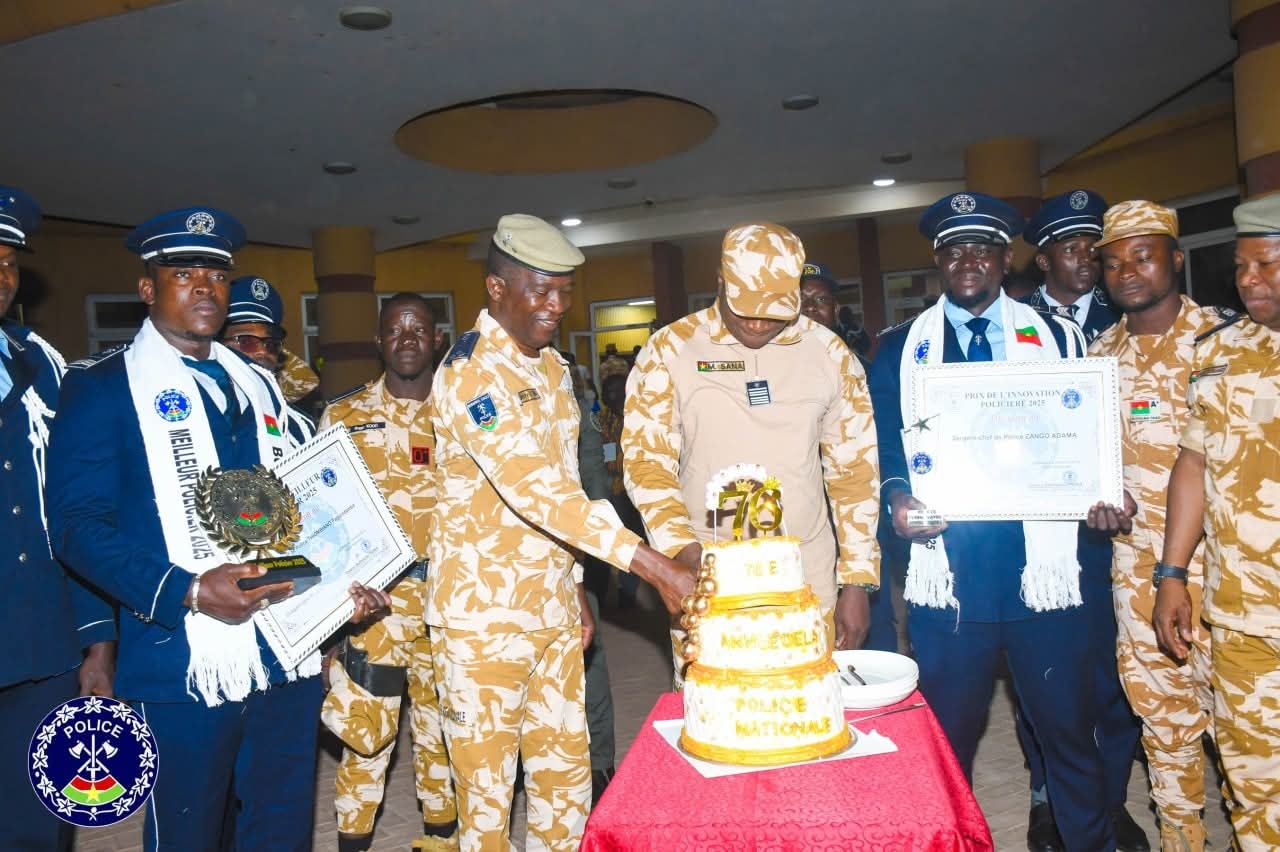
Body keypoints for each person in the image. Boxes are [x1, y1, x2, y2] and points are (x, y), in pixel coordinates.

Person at [44, 206, 390, 852]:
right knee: (190, 833)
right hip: (185, 659)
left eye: (217, 274)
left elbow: (304, 510)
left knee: (281, 830)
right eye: (184, 273)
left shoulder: (261, 387)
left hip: (284, 652)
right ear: (147, 288)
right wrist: (189, 589)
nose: (205, 286)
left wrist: (344, 586)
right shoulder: (103, 388)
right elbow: (76, 528)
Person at [427, 213, 696, 851]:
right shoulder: (470, 374)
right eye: (540, 290)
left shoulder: (552, 370)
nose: (555, 305)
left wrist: (575, 584)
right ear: (497, 288)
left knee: (565, 790)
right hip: (483, 623)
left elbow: (568, 488)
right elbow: (533, 488)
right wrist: (651, 564)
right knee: (487, 807)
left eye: (565, 291)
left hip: (551, 611)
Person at [867, 191, 1115, 851]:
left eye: (982, 249)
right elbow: (886, 447)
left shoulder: (1060, 337)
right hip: (949, 578)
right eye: (955, 251)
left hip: (1044, 574)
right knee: (949, 740)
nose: (968, 261)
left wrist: (1100, 487)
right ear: (938, 263)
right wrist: (897, 497)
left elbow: (1087, 432)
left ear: (1006, 261)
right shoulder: (901, 349)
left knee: (1069, 732)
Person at [623, 222, 881, 686]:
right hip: (709, 572)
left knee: (807, 703)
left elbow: (854, 472)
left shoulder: (829, 354)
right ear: (721, 282)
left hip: (806, 574)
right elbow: (647, 462)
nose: (759, 325)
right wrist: (681, 551)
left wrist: (857, 579)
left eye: (774, 313)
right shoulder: (671, 349)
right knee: (720, 708)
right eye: (746, 312)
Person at [1085, 201, 1223, 851]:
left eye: (1143, 256)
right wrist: (1094, 501)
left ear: (1176, 258)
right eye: (1114, 263)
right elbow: (1088, 462)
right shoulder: (1098, 357)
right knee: (1162, 720)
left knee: (1247, 724)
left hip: (1230, 569)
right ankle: (1181, 839)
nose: (1129, 273)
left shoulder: (1226, 343)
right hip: (1136, 568)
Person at [1018, 191, 1145, 852]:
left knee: (1114, 674)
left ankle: (1109, 797)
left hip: (1108, 532)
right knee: (1043, 676)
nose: (1088, 261)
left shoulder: (1126, 318)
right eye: (1071, 249)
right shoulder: (1013, 321)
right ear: (1043, 259)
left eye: (1094, 250)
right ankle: (1046, 795)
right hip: (1038, 530)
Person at [1156, 192, 1280, 851]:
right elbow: (1194, 461)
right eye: (1240, 266)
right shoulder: (1221, 351)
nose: (1248, 280)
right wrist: (1172, 573)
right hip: (1242, 616)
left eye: (1266, 264)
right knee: (1253, 786)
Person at [319, 293, 457, 852]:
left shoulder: (465, 414)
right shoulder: (343, 416)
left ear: (437, 340)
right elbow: (322, 522)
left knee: (443, 733)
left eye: (418, 329)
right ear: (379, 341)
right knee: (366, 735)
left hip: (450, 601)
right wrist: (329, 622)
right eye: (395, 330)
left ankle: (440, 840)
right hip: (376, 607)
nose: (407, 339)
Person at [0, 186, 115, 852]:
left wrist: (97, 642)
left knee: (40, 827)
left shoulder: (38, 361)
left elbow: (70, 507)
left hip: (41, 639)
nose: (2, 274)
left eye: (9, 260)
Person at [800, 260, 903, 654]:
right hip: (802, 511)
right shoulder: (770, 372)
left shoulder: (863, 370)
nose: (811, 309)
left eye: (820, 300)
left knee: (871, 615)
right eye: (801, 299)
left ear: (836, 309)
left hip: (858, 511)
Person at [562, 348, 621, 804]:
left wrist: (598, 550)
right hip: (512, 558)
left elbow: (594, 477)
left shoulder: (573, 400)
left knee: (589, 661)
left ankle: (599, 765)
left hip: (572, 549)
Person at [221, 275, 316, 443]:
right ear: (217, 344)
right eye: (246, 341)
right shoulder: (204, 410)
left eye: (271, 344)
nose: (262, 352)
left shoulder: (299, 428)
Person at [1022, 189, 1120, 346]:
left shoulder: (1121, 312)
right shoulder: (1019, 316)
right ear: (1044, 262)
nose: (1086, 258)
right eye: (1071, 250)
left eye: (1093, 248)